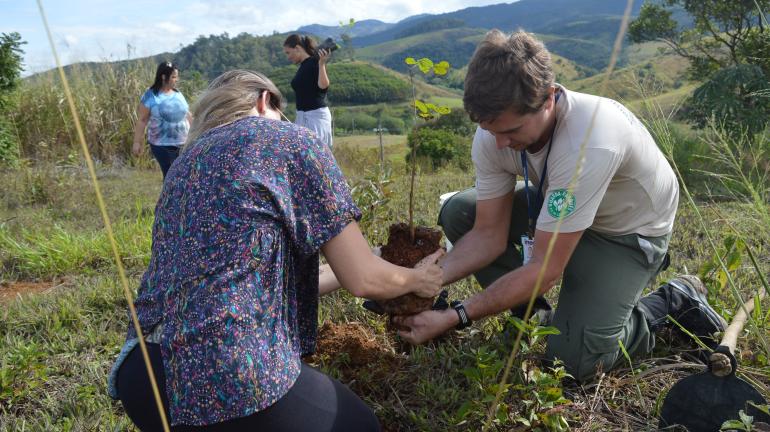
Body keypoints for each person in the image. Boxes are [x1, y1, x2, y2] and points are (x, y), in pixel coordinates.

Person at [108, 70, 443, 431]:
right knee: (359, 425)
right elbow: (363, 279)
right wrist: (419, 278)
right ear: (264, 100)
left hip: (142, 377)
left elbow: (244, 283)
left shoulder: (184, 165)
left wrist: (373, 259)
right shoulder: (290, 140)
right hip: (225, 368)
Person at [393, 30, 727, 383]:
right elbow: (487, 234)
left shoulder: (590, 142)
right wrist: (423, 280)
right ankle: (535, 315)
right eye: (491, 131)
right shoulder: (495, 132)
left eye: (512, 131)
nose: (501, 143)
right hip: (564, 205)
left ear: (550, 98)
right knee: (461, 212)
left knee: (575, 363)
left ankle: (672, 302)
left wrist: (453, 316)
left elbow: (545, 269)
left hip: (624, 231)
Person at [132, 61, 192, 178]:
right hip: (162, 145)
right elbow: (142, 120)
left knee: (183, 176)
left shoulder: (178, 94)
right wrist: (136, 142)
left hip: (184, 143)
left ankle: (176, 196)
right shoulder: (151, 95)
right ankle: (168, 196)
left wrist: (198, 132)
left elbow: (188, 114)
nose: (177, 79)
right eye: (174, 77)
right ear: (164, 77)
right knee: (171, 176)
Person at [283, 34, 333, 148]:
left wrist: (322, 64)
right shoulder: (304, 66)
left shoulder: (315, 62)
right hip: (303, 117)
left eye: (288, 52)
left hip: (315, 117)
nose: (288, 57)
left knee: (316, 156)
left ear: (297, 48)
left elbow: (323, 86)